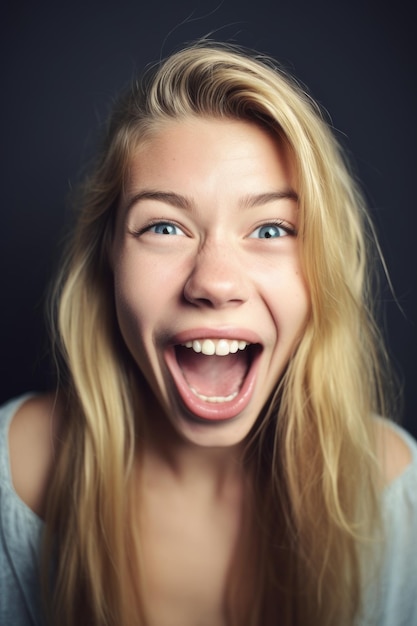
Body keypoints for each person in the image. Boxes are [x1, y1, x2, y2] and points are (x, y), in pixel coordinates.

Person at [0, 41, 416, 626]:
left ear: (321, 266)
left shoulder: (398, 497)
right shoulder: (12, 479)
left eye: (271, 228)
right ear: (108, 260)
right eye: (165, 226)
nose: (215, 284)